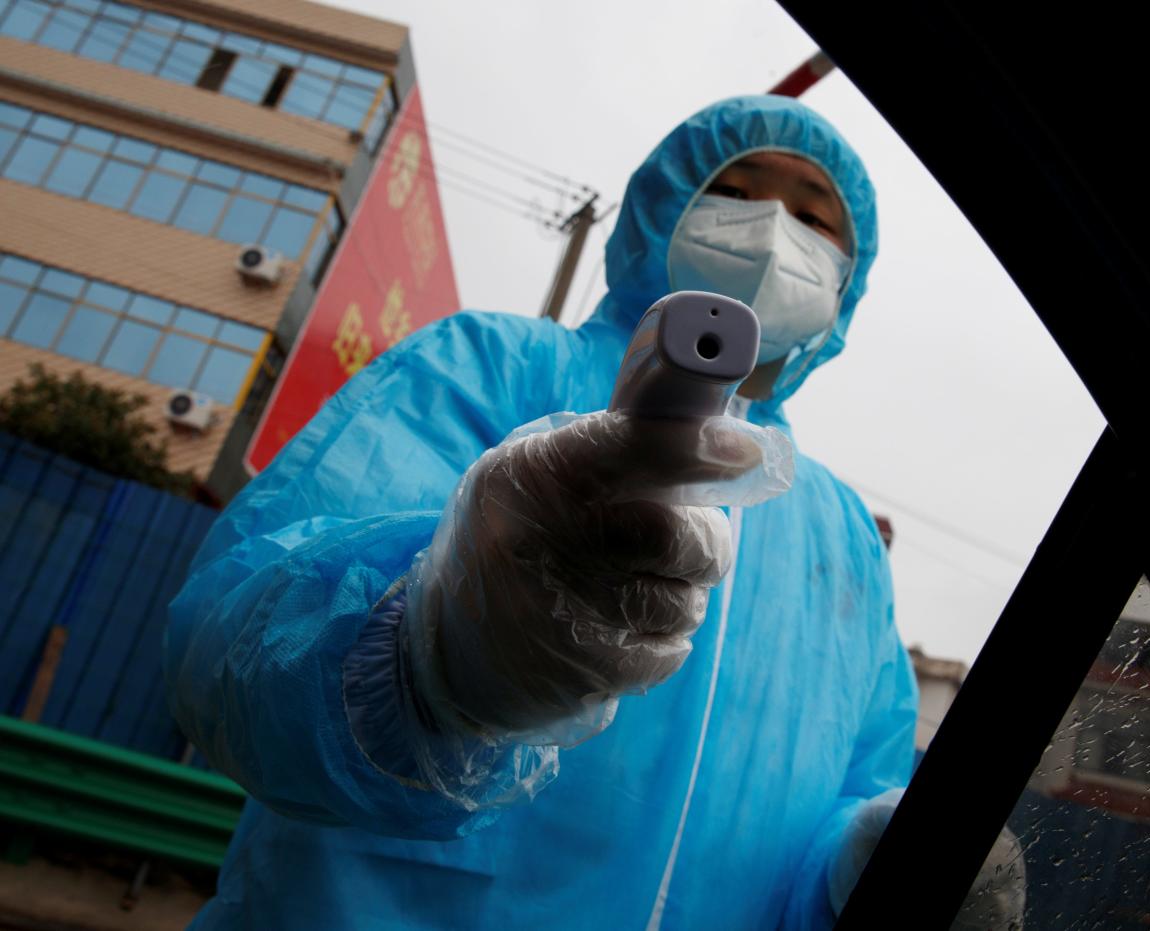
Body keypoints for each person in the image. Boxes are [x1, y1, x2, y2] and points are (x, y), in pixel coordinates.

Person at [166, 95, 922, 928]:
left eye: (814, 217)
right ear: (660, 210)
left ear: (846, 280)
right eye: (736, 191)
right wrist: (443, 654)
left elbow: (851, 790)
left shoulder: (843, 539)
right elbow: (229, 643)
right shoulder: (487, 366)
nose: (772, 228)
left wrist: (865, 860)